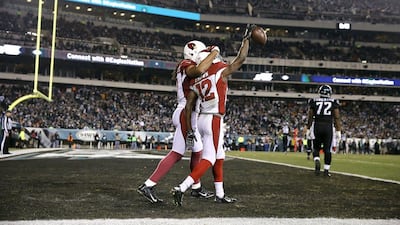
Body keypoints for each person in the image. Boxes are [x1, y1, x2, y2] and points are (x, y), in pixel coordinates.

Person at [172, 25, 253, 206]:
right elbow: (241, 59)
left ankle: (220, 193)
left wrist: (191, 128)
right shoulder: (219, 70)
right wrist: (246, 41)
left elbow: (189, 104)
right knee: (209, 157)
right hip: (213, 118)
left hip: (201, 118)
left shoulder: (197, 78)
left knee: (220, 155)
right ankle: (182, 187)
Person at [137, 40, 220, 203]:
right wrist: (214, 53)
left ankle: (196, 188)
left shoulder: (186, 65)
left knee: (198, 151)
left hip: (189, 113)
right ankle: (148, 185)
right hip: (185, 114)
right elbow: (200, 69)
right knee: (176, 153)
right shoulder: (187, 64)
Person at [306, 85, 342, 177]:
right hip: (328, 126)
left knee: (316, 148)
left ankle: (317, 160)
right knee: (327, 149)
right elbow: (336, 117)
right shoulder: (333, 101)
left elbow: (310, 116)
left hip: (317, 125)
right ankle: (326, 170)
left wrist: (308, 128)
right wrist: (338, 130)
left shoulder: (313, 101)